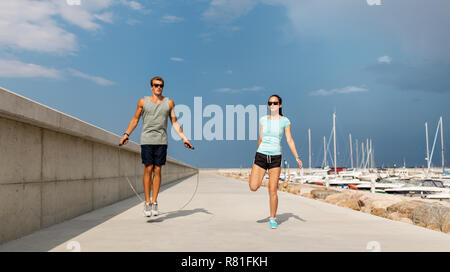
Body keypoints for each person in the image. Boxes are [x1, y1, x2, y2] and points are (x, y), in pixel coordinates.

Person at [120, 76, 193, 217]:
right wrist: (126, 134)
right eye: (156, 85)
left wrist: (184, 138)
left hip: (161, 141)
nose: (159, 87)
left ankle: (154, 202)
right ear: (151, 87)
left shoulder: (169, 103)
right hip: (147, 140)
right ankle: (147, 202)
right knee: (148, 168)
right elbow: (135, 119)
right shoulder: (143, 102)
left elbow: (175, 123)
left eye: (161, 85)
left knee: (158, 169)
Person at [248, 94, 303, 229]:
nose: (272, 105)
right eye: (270, 103)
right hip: (261, 155)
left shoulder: (285, 121)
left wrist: (297, 156)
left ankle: (273, 218)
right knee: (253, 186)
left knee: (272, 190)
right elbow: (260, 138)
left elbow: (289, 140)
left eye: (275, 103)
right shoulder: (262, 120)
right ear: (268, 105)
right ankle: (259, 174)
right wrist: (257, 154)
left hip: (275, 158)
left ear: (280, 105)